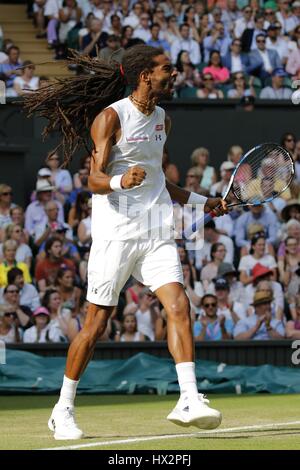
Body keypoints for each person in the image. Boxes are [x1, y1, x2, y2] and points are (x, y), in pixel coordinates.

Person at [24, 44, 227, 439]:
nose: (175, 73)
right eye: (167, 68)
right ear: (145, 75)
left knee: (179, 305)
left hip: (155, 232)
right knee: (96, 325)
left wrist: (204, 201)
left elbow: (159, 181)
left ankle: (188, 397)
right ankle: (62, 408)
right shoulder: (111, 117)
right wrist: (120, 180)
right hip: (115, 235)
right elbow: (93, 181)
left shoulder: (164, 120)